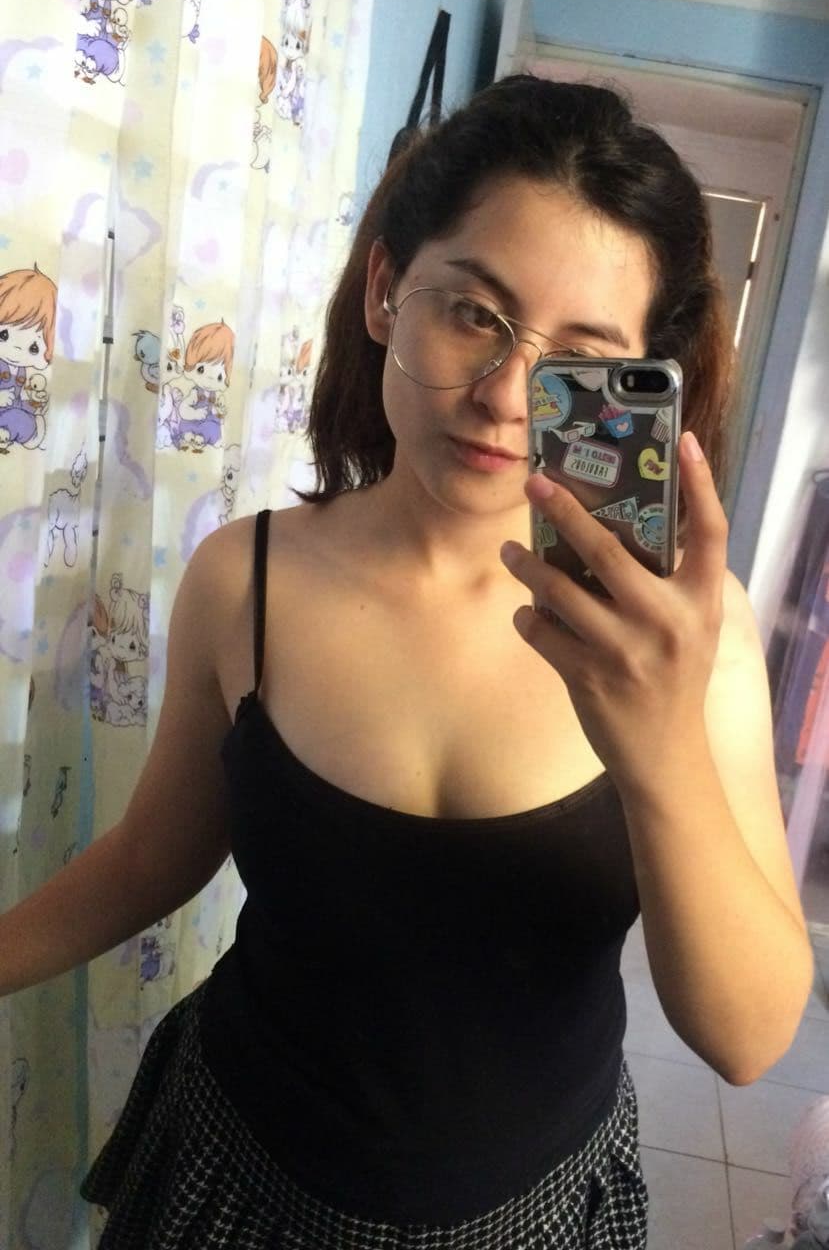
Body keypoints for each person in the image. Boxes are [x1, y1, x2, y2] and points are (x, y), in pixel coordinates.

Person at [0, 75, 813, 1249]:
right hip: (233, 1176)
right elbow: (146, 860)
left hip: (533, 1209)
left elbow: (745, 1037)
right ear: (386, 289)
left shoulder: (690, 634)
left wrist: (658, 747)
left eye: (579, 359)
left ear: (639, 385)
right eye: (473, 312)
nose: (503, 397)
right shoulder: (245, 581)